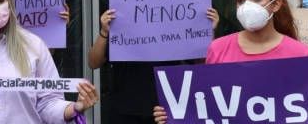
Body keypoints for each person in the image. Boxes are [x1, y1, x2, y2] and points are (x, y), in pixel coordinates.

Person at [153, 0, 308, 123]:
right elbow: (205, 104)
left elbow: (306, 111)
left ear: (276, 4)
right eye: (241, 0)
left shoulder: (300, 53)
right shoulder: (217, 48)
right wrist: (174, 112)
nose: (247, 6)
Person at [87, 6, 219, 123]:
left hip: (164, 110)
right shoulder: (122, 25)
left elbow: (204, 63)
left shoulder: (176, 25)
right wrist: (104, 32)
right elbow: (93, 62)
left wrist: (207, 31)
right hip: (124, 108)